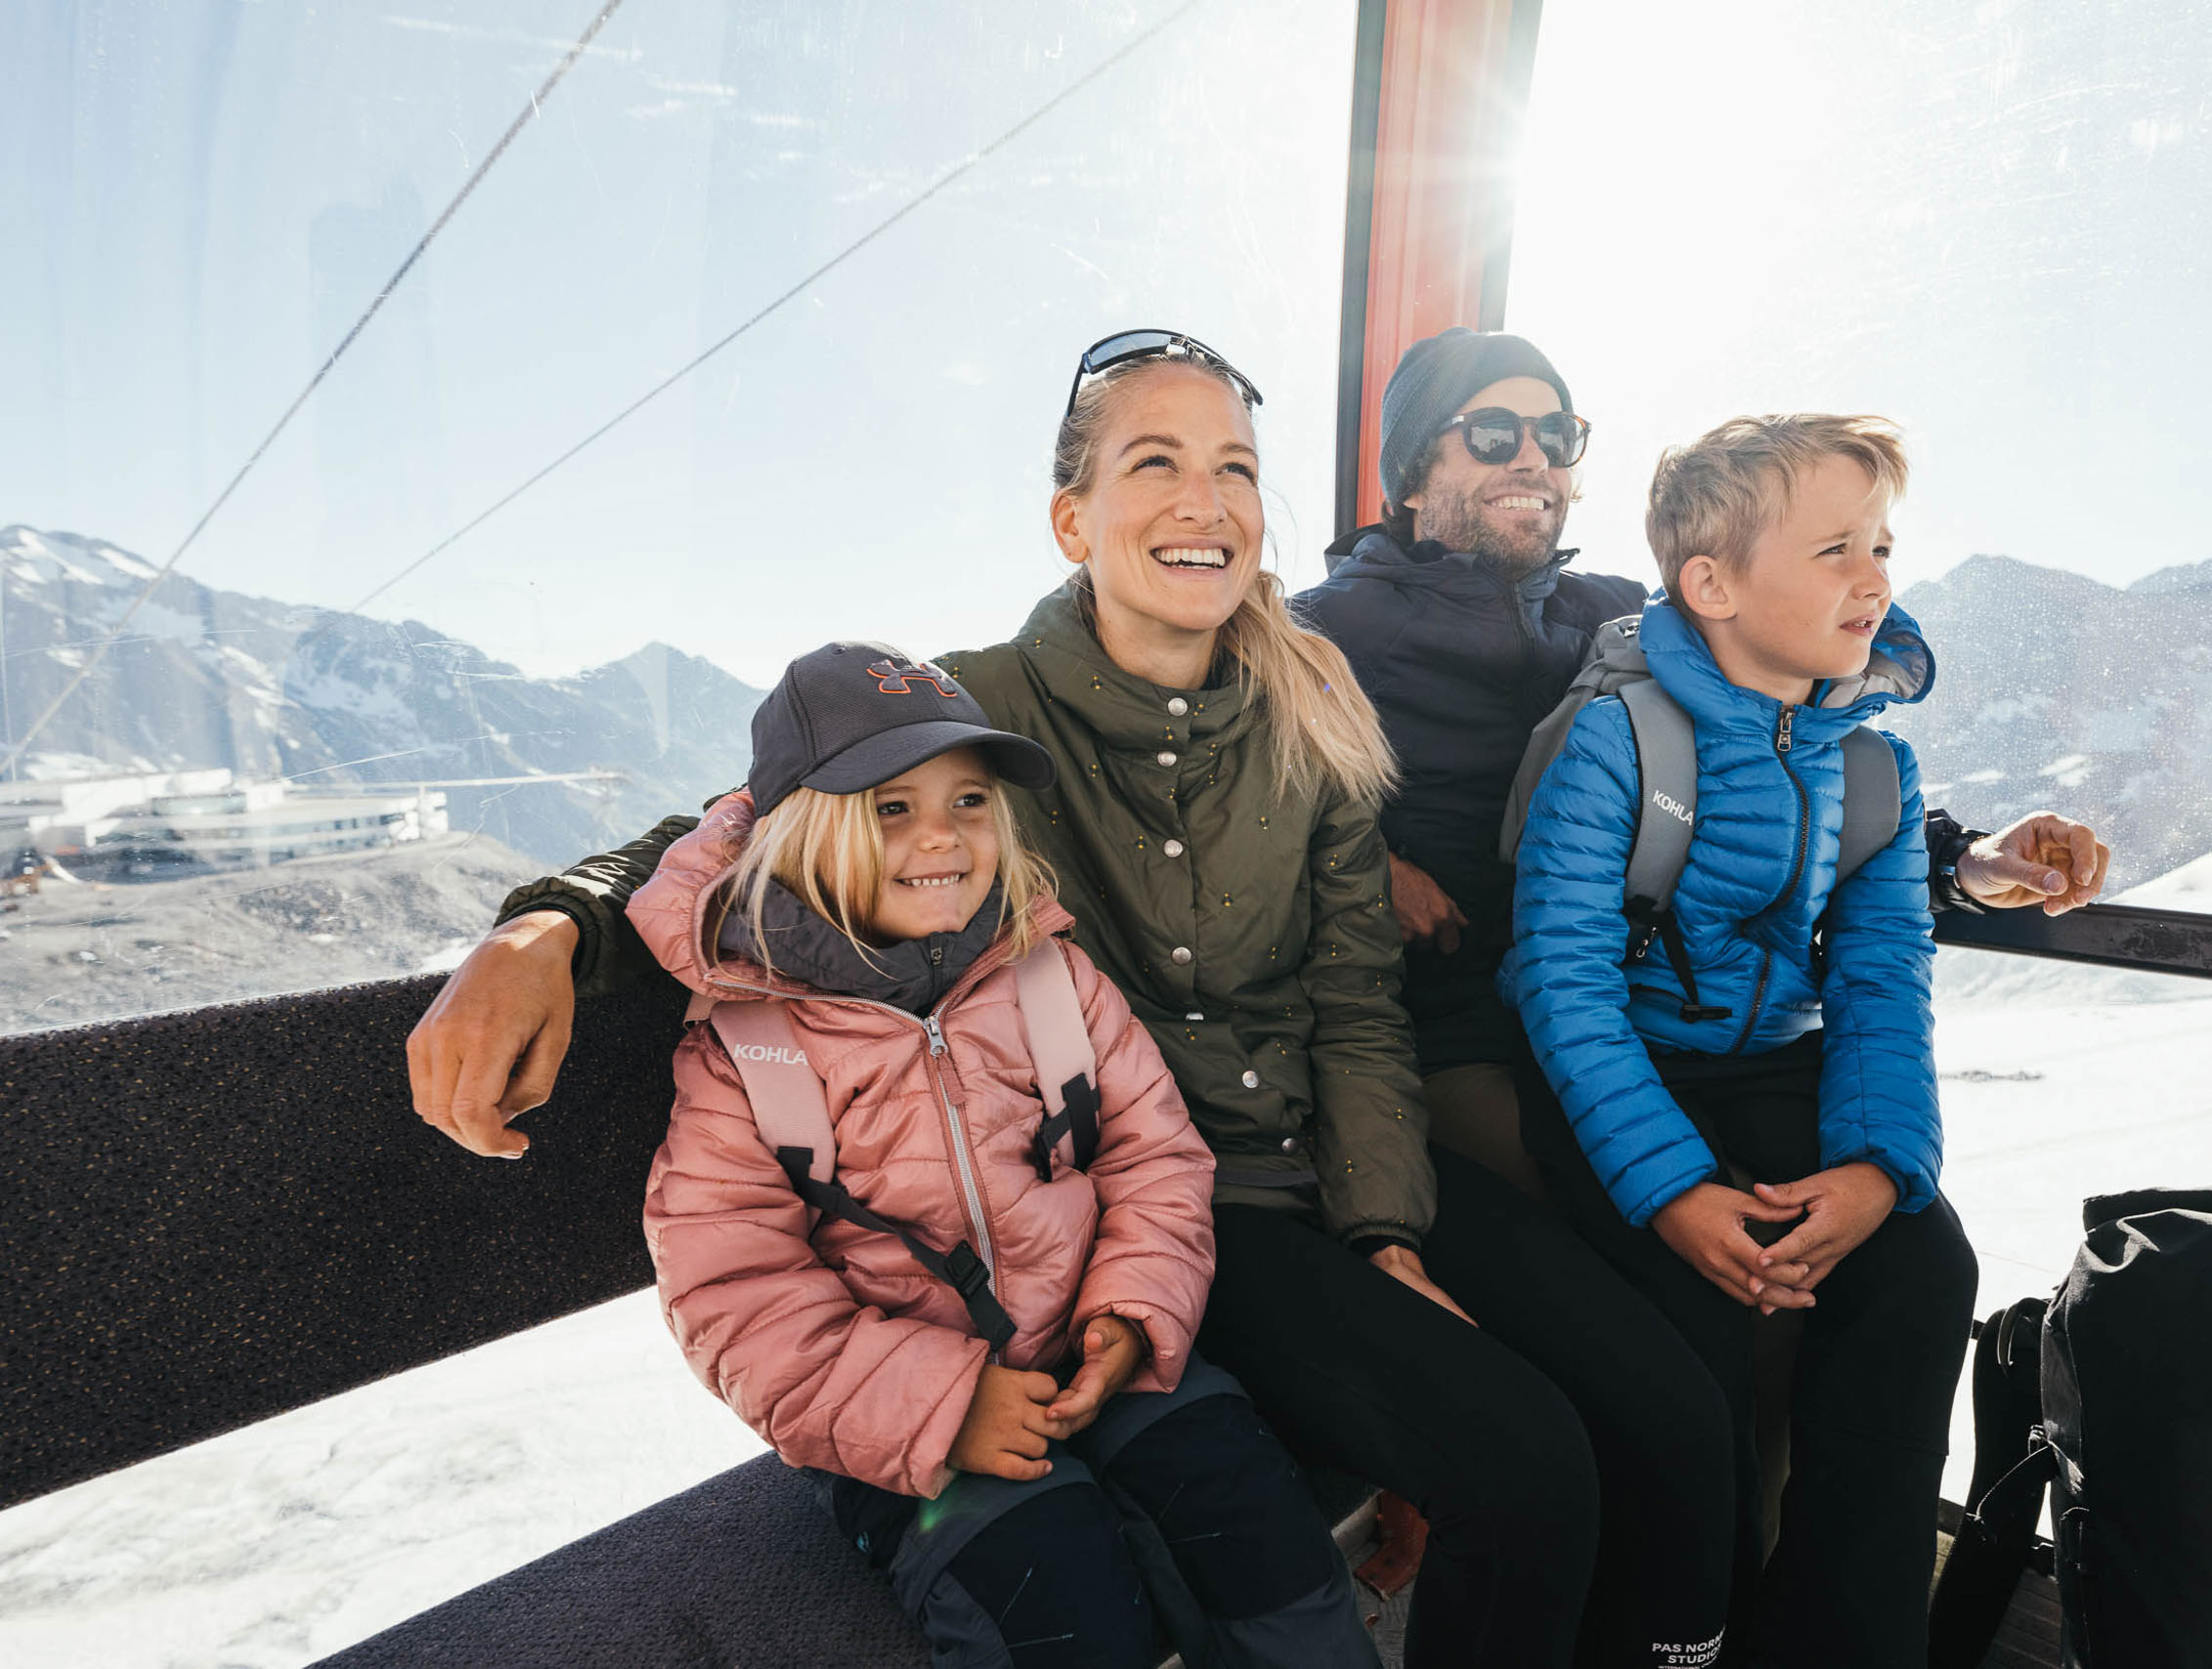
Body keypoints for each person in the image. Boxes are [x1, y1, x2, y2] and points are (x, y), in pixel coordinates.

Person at [408, 330, 1739, 1667]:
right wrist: (548, 925)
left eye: (1235, 467)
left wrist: (1390, 1228)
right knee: (1528, 1467)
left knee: (1668, 1402)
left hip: (1338, 1171)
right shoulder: (976, 718)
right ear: (1072, 518)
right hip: (1181, 1207)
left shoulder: (1309, 707)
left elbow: (1354, 999)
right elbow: (750, 829)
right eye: (1153, 461)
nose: (1202, 500)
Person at [634, 642, 1369, 1667]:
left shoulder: (1046, 979)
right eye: (891, 807)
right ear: (805, 828)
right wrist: (945, 1406)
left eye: (970, 801)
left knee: (1264, 1539)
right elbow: (735, 1298)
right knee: (1057, 1603)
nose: (942, 836)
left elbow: (1154, 1159)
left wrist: (1131, 1311)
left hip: (1099, 1352)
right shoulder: (751, 1052)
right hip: (905, 1423)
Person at [1293, 327, 2110, 1200]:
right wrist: (1363, 866)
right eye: (1494, 433)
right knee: (1614, 1210)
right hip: (1448, 1023)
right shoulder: (1324, 634)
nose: (1533, 458)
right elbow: (1217, 801)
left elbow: (1776, 746)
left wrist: (1962, 862)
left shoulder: (1621, 618)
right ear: (1414, 477)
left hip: (1628, 1012)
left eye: (1557, 435)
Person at [1504, 414, 1981, 1666]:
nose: (1874, 579)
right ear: (1710, 585)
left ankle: (1847, 1638)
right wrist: (1671, 1193)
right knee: (1697, 1321)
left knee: (1923, 1272)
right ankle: (1681, 1636)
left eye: (1879, 545)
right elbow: (1560, 980)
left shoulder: (1871, 768)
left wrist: (1880, 1169)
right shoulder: (1621, 740)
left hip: (1776, 1063)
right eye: (1833, 549)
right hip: (1625, 1070)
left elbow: (1882, 978)